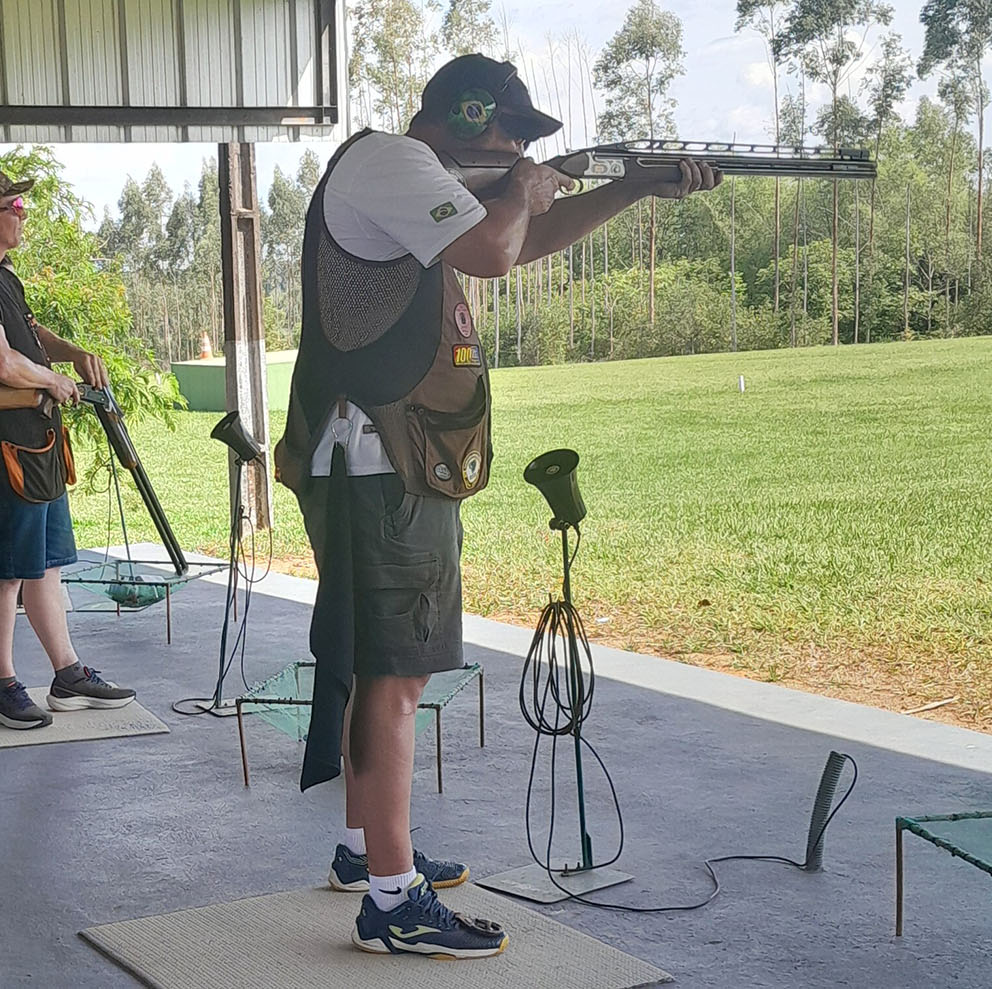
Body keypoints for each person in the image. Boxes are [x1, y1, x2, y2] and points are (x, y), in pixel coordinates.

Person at [271, 54, 721, 959]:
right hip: (378, 461)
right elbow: (495, 247)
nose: (521, 149)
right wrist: (521, 191)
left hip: (389, 459)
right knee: (395, 675)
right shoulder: (392, 162)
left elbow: (526, 237)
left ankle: (368, 853)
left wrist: (628, 187)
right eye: (512, 134)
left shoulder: (416, 179)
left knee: (383, 667)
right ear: (471, 118)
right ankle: (394, 901)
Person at [0, 166, 138, 729]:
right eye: (14, 209)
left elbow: (29, 332)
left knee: (46, 566)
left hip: (36, 441)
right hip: (1, 446)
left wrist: (67, 353)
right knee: (7, 573)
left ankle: (67, 673)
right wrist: (52, 381)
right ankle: (3, 687)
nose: (22, 216)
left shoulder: (3, 277)